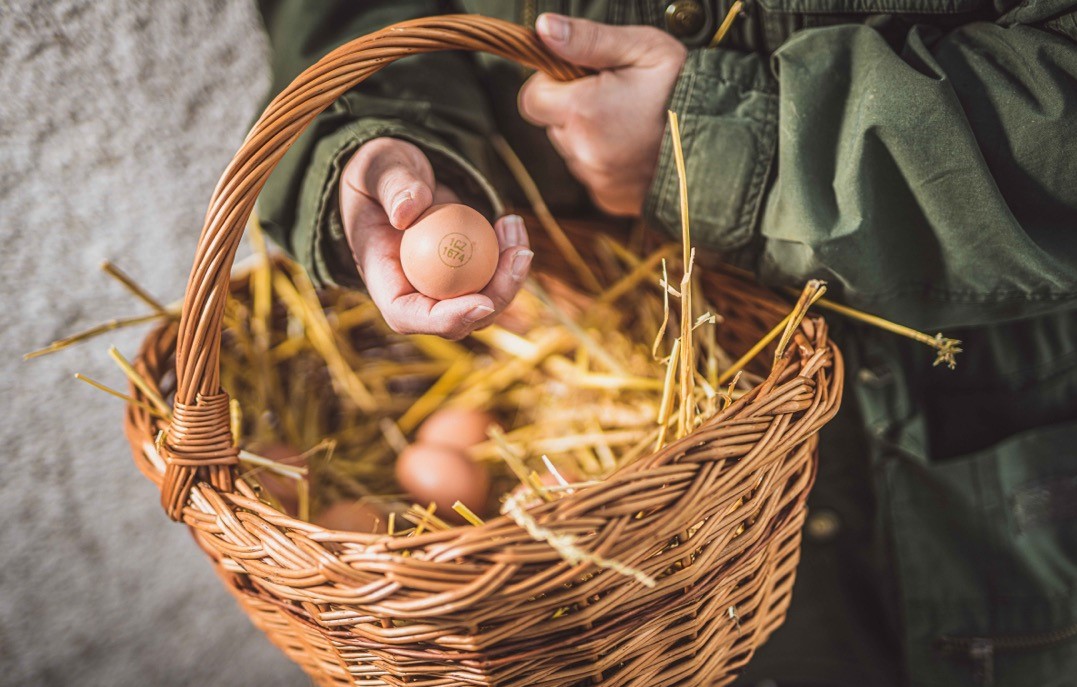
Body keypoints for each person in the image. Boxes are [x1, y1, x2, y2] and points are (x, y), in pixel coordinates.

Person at [254, 1, 1077, 685]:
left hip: (971, 407)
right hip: (628, 383)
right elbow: (352, 14)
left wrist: (728, 148)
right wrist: (376, 132)